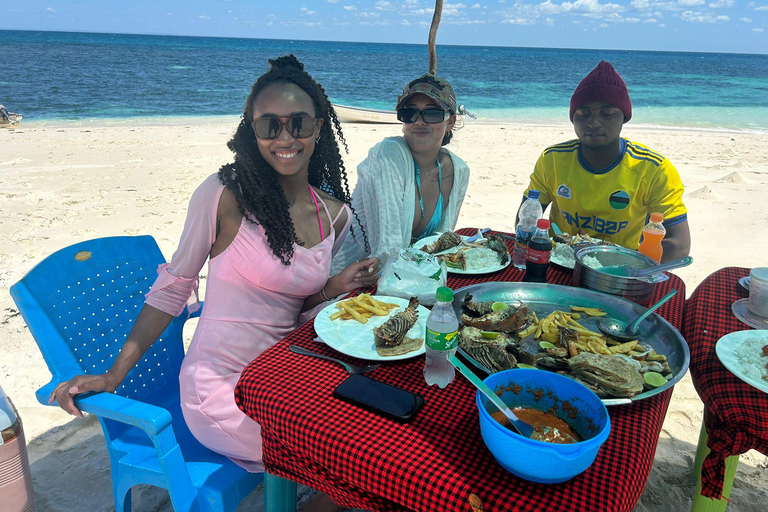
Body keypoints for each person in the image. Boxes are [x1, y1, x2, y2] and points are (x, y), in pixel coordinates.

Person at [49, 55, 378, 512]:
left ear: (319, 127)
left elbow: (296, 307)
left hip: (287, 376)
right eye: (269, 125)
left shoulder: (334, 213)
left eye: (298, 123)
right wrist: (113, 374)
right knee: (356, 466)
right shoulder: (225, 196)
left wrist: (335, 286)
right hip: (222, 388)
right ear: (251, 129)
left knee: (375, 436)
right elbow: (172, 288)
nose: (285, 137)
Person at [519, 60, 691, 262]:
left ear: (624, 117)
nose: (594, 122)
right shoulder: (553, 160)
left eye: (607, 113)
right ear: (573, 118)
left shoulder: (653, 169)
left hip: (620, 269)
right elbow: (526, 218)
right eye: (584, 113)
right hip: (559, 261)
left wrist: (628, 270)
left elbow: (678, 244)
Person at [331, 73, 470, 272]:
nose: (419, 122)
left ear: (450, 121)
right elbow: (387, 250)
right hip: (355, 280)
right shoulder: (388, 155)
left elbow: (442, 245)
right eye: (409, 113)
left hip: (412, 276)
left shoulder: (458, 171)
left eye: (432, 113)